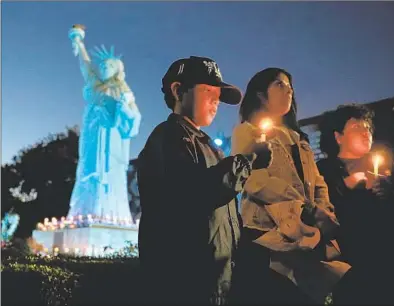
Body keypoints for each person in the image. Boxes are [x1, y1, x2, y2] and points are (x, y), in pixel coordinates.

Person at [137, 56, 272, 305]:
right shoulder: (168, 138)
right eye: (208, 90)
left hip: (216, 286)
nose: (216, 100)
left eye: (218, 94)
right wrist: (247, 159)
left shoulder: (208, 146)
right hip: (184, 286)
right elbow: (198, 192)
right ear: (178, 91)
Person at [230, 67, 351, 305]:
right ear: (260, 95)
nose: (289, 91)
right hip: (265, 235)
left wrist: (323, 208)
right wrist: (308, 209)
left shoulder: (298, 139)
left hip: (303, 236)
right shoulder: (247, 132)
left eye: (290, 87)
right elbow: (256, 181)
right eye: (280, 85)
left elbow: (317, 182)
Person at [317, 103, 394, 304]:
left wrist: (392, 193)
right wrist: (347, 187)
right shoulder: (324, 172)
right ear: (338, 137)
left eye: (368, 128)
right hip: (352, 272)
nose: (365, 133)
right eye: (356, 128)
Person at [67, 25, 141, 223]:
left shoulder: (123, 92)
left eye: (109, 66)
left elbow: (134, 120)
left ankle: (112, 216)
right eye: (103, 65)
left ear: (117, 70)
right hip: (92, 136)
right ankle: (83, 213)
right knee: (87, 172)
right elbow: (86, 64)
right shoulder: (95, 85)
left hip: (111, 141)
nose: (104, 68)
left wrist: (124, 107)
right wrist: (78, 42)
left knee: (109, 176)